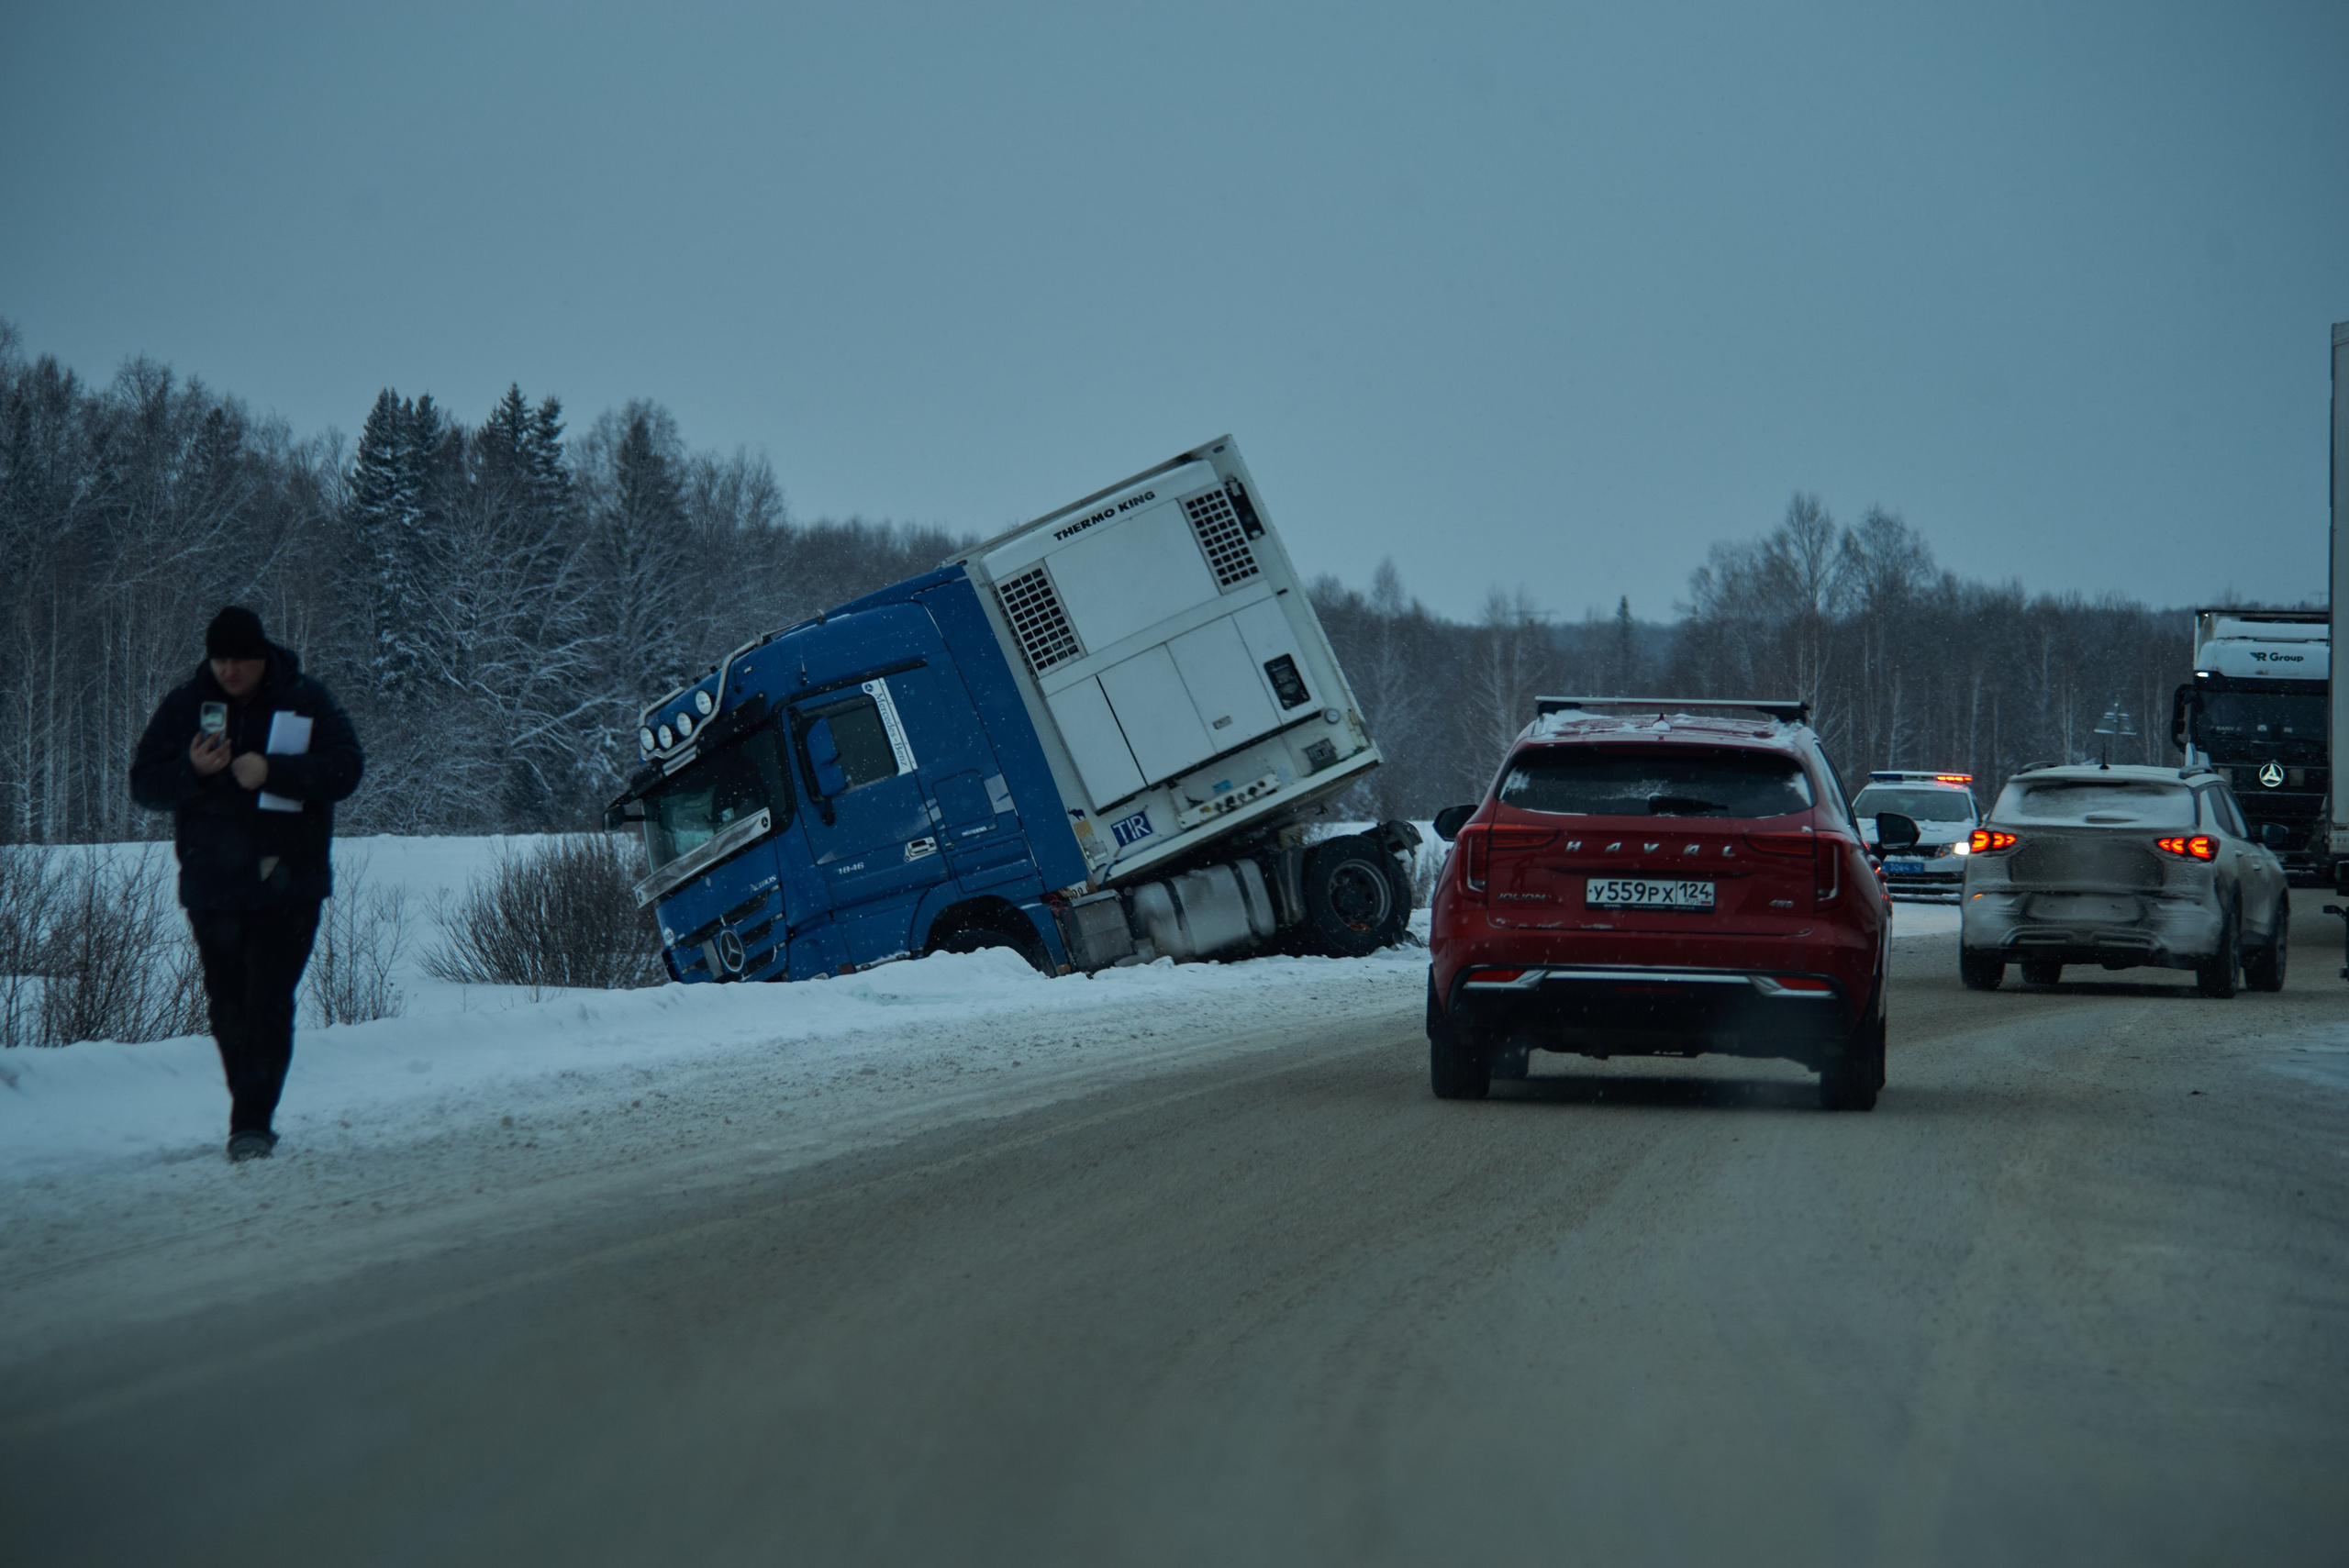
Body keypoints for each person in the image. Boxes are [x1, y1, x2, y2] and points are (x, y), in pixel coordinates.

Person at [129, 606, 364, 1162]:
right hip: (214, 885)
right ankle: (251, 1109)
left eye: (240, 659)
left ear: (263, 656)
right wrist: (191, 770)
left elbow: (347, 768)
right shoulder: (187, 706)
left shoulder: (306, 699)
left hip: (290, 881)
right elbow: (143, 784)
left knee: (268, 1001)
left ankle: (251, 1124)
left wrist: (277, 771)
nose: (229, 669)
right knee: (227, 1007)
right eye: (220, 658)